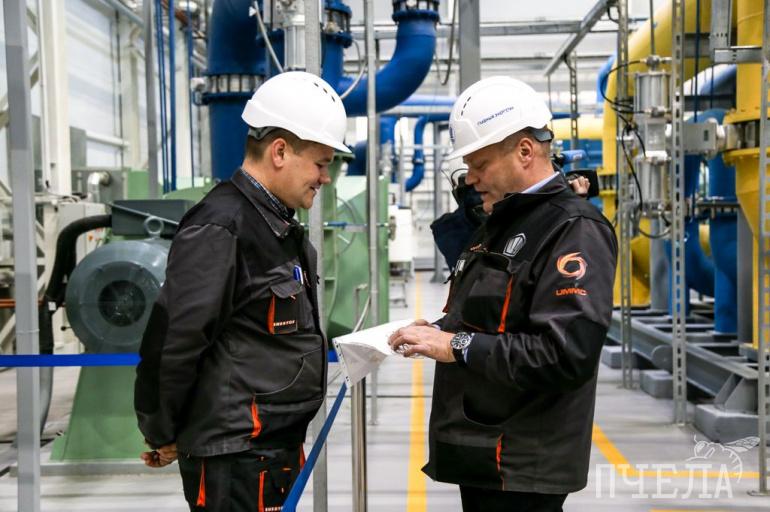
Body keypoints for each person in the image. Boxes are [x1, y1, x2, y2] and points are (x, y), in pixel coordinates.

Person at [389, 76, 618, 511]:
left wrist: (454, 344)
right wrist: (436, 330)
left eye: (480, 165)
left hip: (523, 462)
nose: (471, 179)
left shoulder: (573, 229)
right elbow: (492, 315)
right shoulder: (501, 222)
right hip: (484, 449)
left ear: (525, 151)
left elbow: (565, 354)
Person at [134, 71, 350, 511]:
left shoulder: (275, 227)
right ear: (279, 152)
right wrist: (162, 431)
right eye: (320, 164)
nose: (324, 178)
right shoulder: (222, 226)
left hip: (267, 450)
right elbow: (176, 342)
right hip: (234, 457)